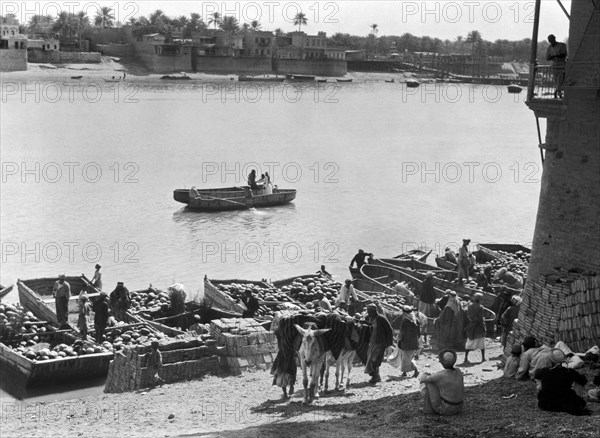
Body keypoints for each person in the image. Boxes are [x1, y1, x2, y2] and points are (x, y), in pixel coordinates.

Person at [535, 349, 590, 415]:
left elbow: (536, 375)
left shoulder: (544, 371)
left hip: (546, 404)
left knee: (540, 380)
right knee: (578, 382)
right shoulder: (569, 372)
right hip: (565, 404)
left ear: (551, 360)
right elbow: (583, 381)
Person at [419, 350, 464, 416]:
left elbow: (423, 379)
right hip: (459, 407)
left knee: (429, 383)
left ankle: (428, 410)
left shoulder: (441, 375)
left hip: (446, 410)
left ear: (442, 362)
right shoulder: (458, 371)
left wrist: (425, 374)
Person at [364, 303, 393, 383]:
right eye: (368, 311)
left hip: (380, 342)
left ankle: (375, 376)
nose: (369, 313)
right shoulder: (367, 318)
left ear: (375, 311)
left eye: (370, 311)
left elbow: (389, 330)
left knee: (374, 359)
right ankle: (376, 375)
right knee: (370, 359)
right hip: (371, 342)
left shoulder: (381, 318)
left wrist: (388, 343)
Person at [398, 305, 420, 378]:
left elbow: (402, 332)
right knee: (407, 357)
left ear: (404, 313)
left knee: (406, 358)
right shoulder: (415, 320)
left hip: (407, 342)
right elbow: (419, 333)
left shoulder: (405, 321)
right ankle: (404, 372)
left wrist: (399, 339)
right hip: (414, 342)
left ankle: (416, 370)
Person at [464, 293, 486, 363]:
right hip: (478, 327)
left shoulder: (470, 306)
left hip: (471, 325)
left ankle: (465, 358)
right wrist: (483, 327)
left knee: (469, 342)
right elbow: (480, 318)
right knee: (481, 342)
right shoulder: (481, 307)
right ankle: (483, 358)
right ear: (480, 299)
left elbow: (467, 315)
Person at [546, 34, 567, 99]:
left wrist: (555, 56)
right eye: (550, 40)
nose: (551, 41)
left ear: (554, 39)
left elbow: (564, 54)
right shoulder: (549, 48)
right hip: (554, 66)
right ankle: (558, 92)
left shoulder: (562, 45)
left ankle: (557, 92)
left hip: (561, 65)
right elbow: (547, 58)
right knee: (556, 80)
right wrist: (554, 57)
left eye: (552, 39)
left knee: (561, 80)